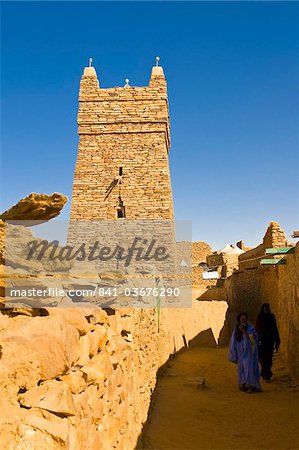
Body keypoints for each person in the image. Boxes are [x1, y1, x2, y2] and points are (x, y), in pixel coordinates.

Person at [229, 312, 261, 393]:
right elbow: (233, 341)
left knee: (249, 368)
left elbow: (253, 339)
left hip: (249, 352)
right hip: (240, 352)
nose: (243, 319)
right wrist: (234, 354)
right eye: (242, 318)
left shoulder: (250, 328)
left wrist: (244, 332)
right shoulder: (237, 329)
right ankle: (244, 384)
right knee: (242, 369)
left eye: (244, 317)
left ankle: (251, 386)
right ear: (239, 319)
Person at [255, 303, 280, 382]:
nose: (266, 310)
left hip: (270, 341)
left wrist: (277, 340)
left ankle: (268, 374)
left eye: (267, 309)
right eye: (264, 309)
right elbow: (257, 329)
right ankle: (264, 373)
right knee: (263, 359)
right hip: (262, 341)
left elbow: (274, 328)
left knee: (269, 359)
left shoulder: (271, 317)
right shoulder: (259, 317)